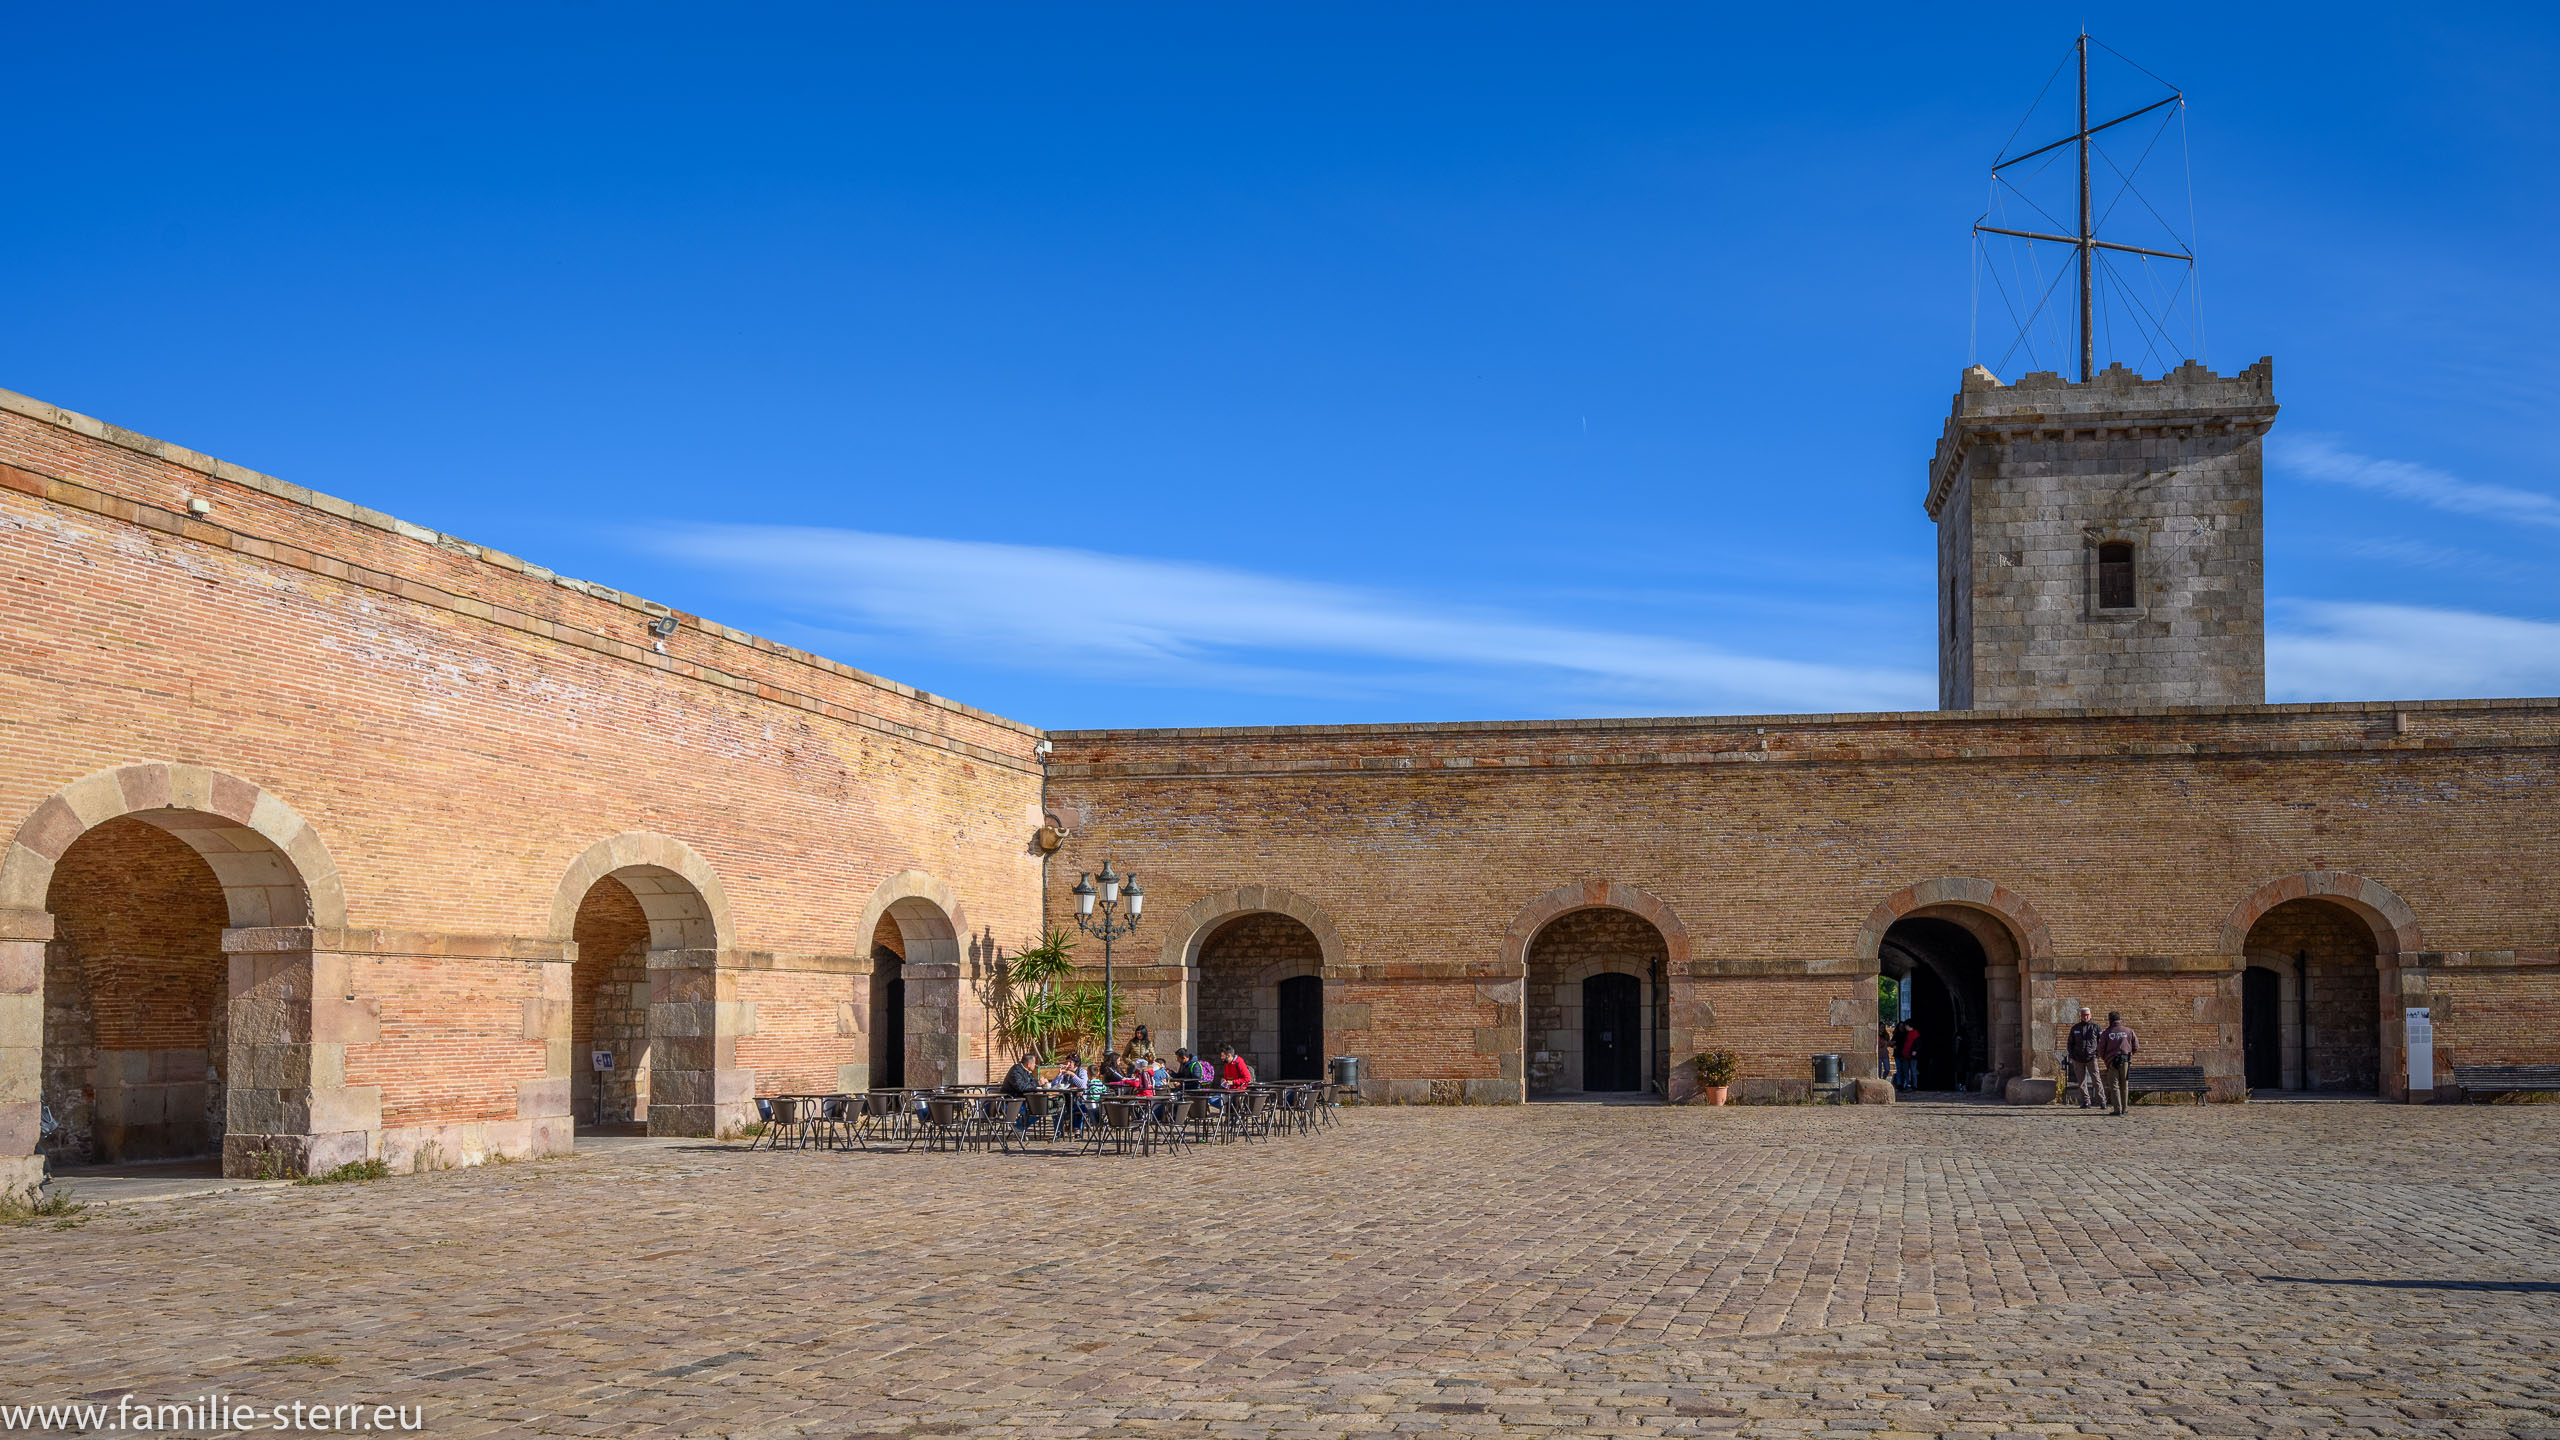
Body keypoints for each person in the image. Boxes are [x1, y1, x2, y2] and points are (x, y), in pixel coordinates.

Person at [2098, 1010, 2139, 1115]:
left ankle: (2117, 1109)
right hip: (2125, 1060)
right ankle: (2125, 1109)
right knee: (2124, 1085)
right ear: (2119, 1019)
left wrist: (2106, 1059)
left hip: (2112, 1061)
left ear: (2110, 1020)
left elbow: (2101, 1049)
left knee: (2114, 1085)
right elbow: (2136, 1046)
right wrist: (2129, 1055)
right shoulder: (2129, 1031)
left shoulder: (2107, 1033)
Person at [2066, 1007, 2105, 1109]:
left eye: (2087, 1015)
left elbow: (2101, 1042)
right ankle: (2086, 1102)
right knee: (2081, 1082)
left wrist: (2097, 1054)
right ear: (2081, 1016)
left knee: (2096, 1080)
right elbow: (2070, 1043)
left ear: (2090, 1015)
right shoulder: (2075, 1028)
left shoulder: (2096, 1027)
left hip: (2092, 1058)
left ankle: (2102, 1101)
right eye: (2083, 1015)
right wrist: (2072, 1055)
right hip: (2078, 1059)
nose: (2085, 1016)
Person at [1895, 1021, 1921, 1091]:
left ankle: (1914, 1085)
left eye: (1906, 1026)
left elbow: (1917, 1044)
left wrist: (1915, 1050)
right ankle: (1907, 1084)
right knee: (1905, 1071)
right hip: (1905, 1055)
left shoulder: (1915, 1034)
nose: (1905, 1027)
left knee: (1913, 1071)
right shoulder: (1905, 1034)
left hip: (1912, 1055)